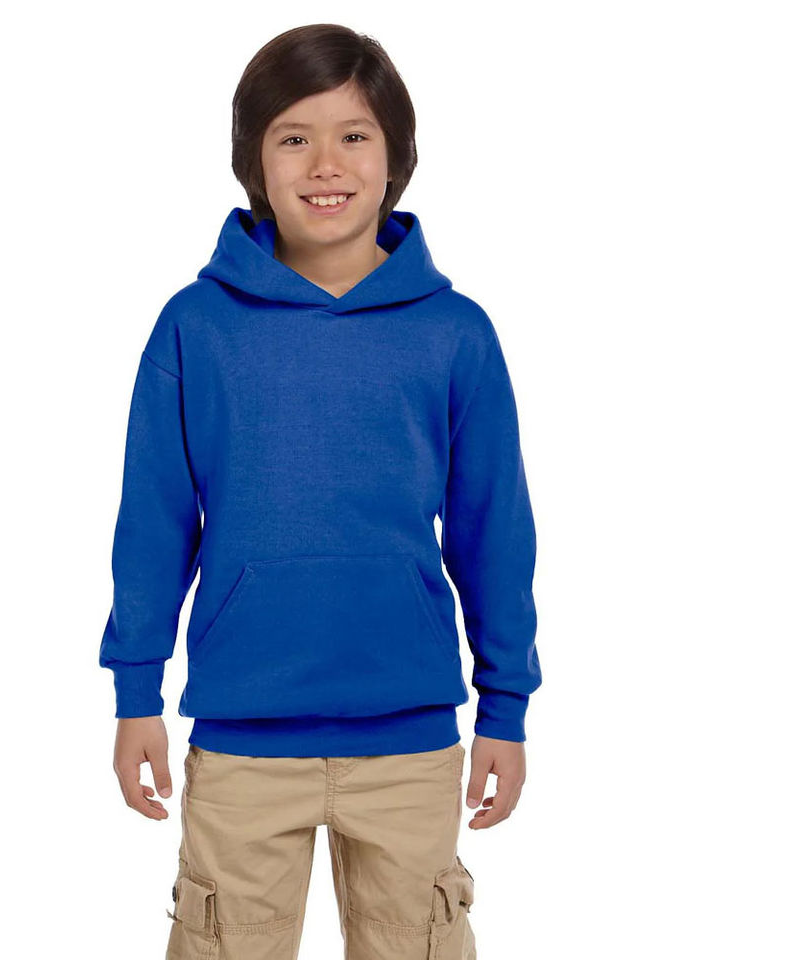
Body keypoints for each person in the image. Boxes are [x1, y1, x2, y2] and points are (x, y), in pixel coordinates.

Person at [99, 23, 542, 960]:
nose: (325, 164)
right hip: (243, 738)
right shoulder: (195, 327)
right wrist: (136, 693)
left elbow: (493, 533)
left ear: (397, 156)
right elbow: (154, 525)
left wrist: (505, 707)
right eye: (294, 137)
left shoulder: (455, 333)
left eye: (354, 135)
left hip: (411, 740)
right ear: (253, 160)